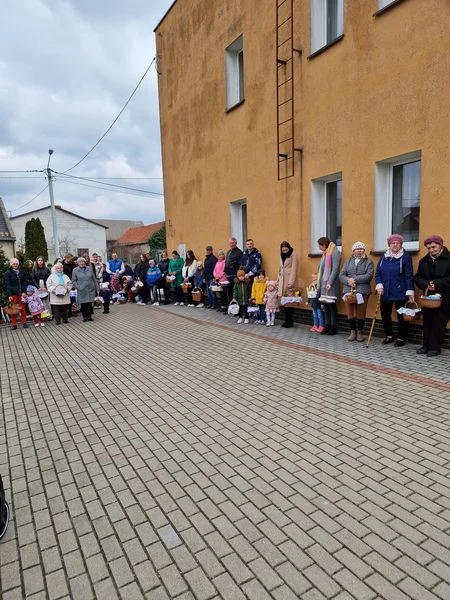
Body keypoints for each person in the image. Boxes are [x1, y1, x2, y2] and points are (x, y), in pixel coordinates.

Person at [414, 235, 450, 357]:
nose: (431, 250)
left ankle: (435, 348)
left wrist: (437, 284)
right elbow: (418, 277)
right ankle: (425, 346)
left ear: (441, 245)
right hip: (428, 298)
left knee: (438, 323)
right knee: (427, 322)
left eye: (434, 247)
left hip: (445, 298)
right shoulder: (424, 261)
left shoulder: (448, 259)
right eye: (429, 248)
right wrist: (426, 284)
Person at [375, 234, 414, 346]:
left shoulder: (406, 257)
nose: (395, 244)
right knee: (385, 314)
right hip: (385, 291)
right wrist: (379, 286)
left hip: (400, 292)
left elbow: (409, 276)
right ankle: (389, 335)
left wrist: (410, 292)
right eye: (393, 243)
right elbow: (378, 273)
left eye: (397, 243)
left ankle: (401, 337)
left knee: (401, 316)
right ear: (389, 245)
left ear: (401, 244)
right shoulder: (384, 257)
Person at [339, 241, 374, 342]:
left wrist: (353, 279)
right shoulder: (348, 261)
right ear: (353, 251)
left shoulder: (368, 262)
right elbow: (341, 275)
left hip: (363, 290)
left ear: (364, 250)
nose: (359, 251)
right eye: (357, 249)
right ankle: (352, 331)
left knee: (361, 312)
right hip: (348, 290)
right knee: (350, 312)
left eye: (361, 249)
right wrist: (348, 281)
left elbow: (369, 276)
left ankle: (359, 332)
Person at [317, 237, 341, 335]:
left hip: (331, 283)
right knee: (325, 305)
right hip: (324, 283)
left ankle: (333, 326)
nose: (319, 248)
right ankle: (327, 325)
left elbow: (335, 269)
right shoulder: (325, 253)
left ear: (324, 244)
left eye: (320, 245)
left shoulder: (334, 252)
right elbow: (321, 268)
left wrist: (329, 282)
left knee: (331, 305)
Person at [277, 241, 299, 328]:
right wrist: (278, 279)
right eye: (283, 250)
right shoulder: (281, 255)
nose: (285, 251)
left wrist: (291, 282)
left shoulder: (293, 254)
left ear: (289, 248)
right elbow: (280, 268)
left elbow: (294, 268)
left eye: (286, 250)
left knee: (289, 302)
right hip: (282, 280)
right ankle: (286, 320)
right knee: (284, 302)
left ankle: (290, 321)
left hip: (289, 280)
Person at [3, 257, 29, 330]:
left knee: (23, 308)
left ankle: (24, 323)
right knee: (13, 309)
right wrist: (9, 295)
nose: (15, 265)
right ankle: (14, 324)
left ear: (18, 264)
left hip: (21, 294)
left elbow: (25, 283)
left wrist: (24, 292)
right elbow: (7, 285)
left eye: (16, 263)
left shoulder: (22, 272)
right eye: (13, 263)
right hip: (13, 294)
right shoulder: (7, 273)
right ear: (11, 264)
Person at [71, 256, 99, 322]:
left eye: (83, 261)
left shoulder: (90, 268)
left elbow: (94, 279)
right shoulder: (75, 270)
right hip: (81, 289)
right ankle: (85, 317)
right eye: (80, 262)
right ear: (77, 263)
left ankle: (89, 317)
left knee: (89, 303)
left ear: (85, 262)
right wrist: (78, 287)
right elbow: (73, 281)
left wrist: (97, 288)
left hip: (90, 288)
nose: (81, 263)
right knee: (83, 303)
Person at [225, 238, 243, 303]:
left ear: (236, 243)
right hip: (228, 276)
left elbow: (240, 265)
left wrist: (237, 276)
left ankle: (236, 309)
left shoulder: (239, 252)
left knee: (235, 293)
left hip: (234, 276)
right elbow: (226, 262)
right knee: (229, 293)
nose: (231, 244)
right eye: (230, 243)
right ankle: (230, 308)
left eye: (232, 243)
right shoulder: (229, 252)